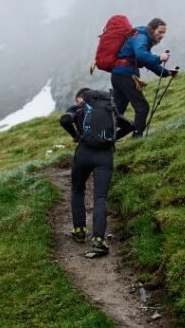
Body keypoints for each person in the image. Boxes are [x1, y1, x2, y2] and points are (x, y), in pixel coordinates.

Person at [59, 87, 133, 257]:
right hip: (105, 156)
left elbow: (64, 120)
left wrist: (76, 135)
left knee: (77, 189)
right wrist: (114, 137)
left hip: (84, 152)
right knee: (100, 197)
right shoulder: (109, 109)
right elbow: (129, 125)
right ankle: (98, 240)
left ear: (82, 98)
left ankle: (79, 230)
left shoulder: (79, 108)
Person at [111, 18, 176, 137]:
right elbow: (141, 55)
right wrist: (159, 58)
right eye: (160, 32)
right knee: (142, 107)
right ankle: (137, 136)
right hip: (126, 74)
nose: (162, 35)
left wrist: (167, 73)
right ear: (151, 29)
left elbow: (147, 61)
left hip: (118, 74)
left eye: (164, 32)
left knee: (117, 111)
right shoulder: (141, 37)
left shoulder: (141, 37)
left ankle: (106, 138)